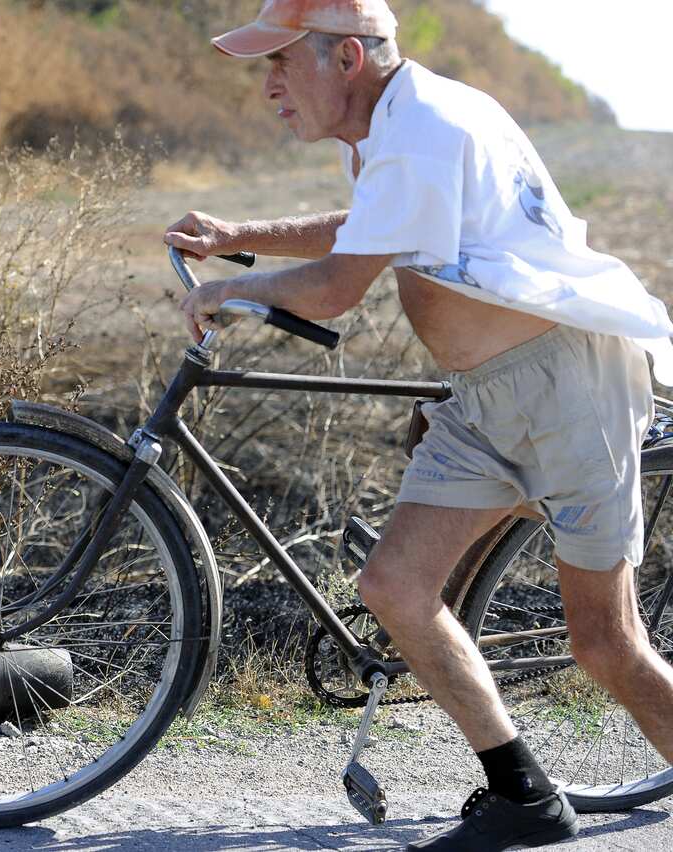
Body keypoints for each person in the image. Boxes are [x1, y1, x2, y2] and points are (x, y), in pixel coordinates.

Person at [164, 0, 673, 849]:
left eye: (280, 63)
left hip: (565, 387)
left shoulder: (428, 125)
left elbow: (337, 288)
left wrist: (232, 289)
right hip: (485, 398)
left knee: (605, 644)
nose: (268, 87)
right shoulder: (397, 122)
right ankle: (525, 798)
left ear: (346, 59)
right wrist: (240, 237)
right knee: (394, 588)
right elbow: (374, 230)